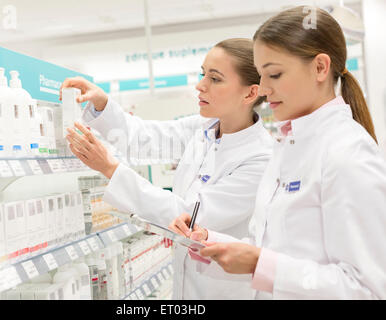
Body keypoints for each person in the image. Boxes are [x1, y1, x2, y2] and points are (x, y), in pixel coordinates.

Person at [175, 6, 386, 299]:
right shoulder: (289, 146)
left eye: (274, 74)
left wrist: (260, 264)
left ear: (320, 68)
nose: (262, 89)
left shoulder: (347, 152)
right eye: (261, 76)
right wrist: (214, 242)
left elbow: (367, 290)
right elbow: (282, 249)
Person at [60, 38, 273, 299]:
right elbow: (143, 137)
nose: (200, 85)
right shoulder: (203, 127)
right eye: (202, 74)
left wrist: (110, 169)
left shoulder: (260, 157)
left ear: (250, 93)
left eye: (215, 79)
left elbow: (189, 218)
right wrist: (103, 105)